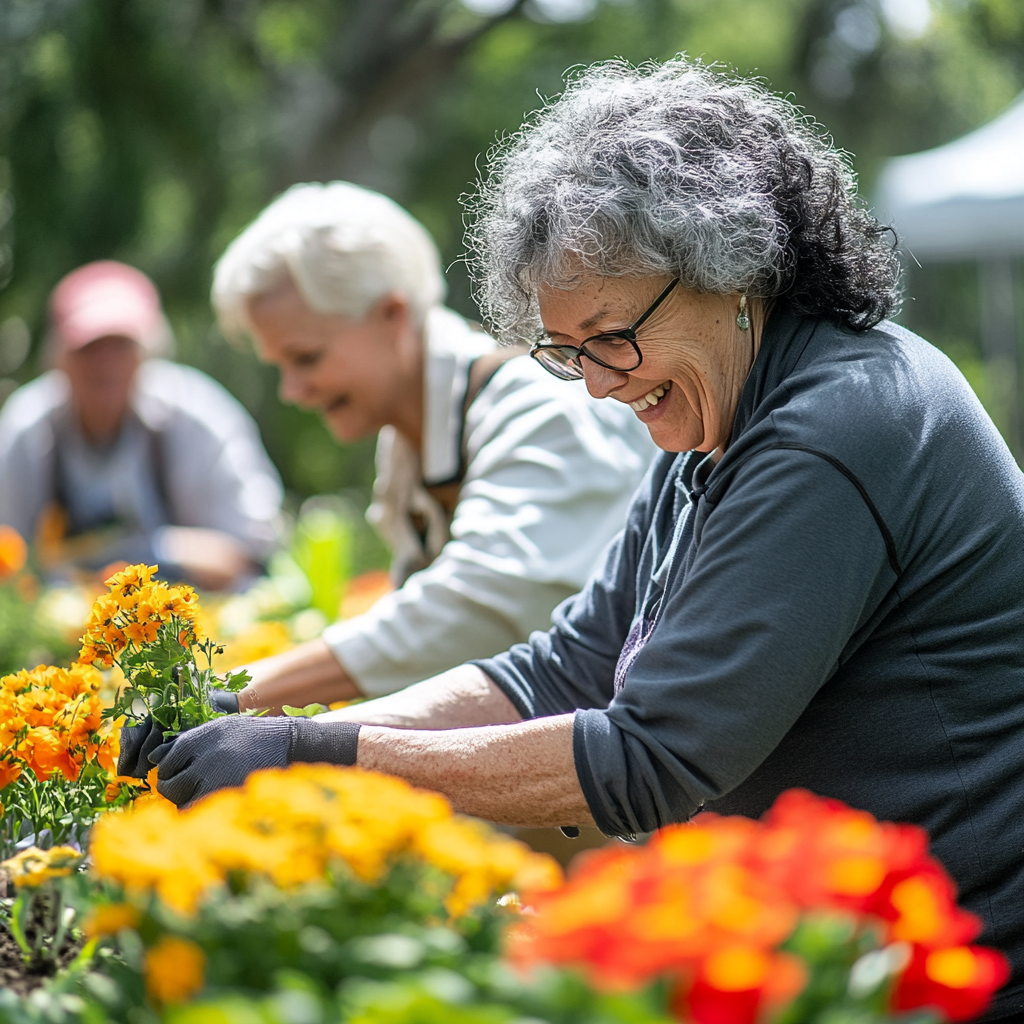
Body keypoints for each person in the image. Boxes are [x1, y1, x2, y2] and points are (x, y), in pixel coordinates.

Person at [150, 59, 1024, 1017]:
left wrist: (323, 757)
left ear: (728, 266)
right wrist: (283, 734)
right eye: (568, 353)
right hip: (800, 945)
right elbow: (560, 667)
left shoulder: (834, 429)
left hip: (926, 966)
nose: (600, 383)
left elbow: (649, 760)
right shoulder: (716, 418)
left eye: (611, 336)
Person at [207, 181, 655, 708]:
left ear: (393, 316)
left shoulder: (542, 407)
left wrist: (238, 694)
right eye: (279, 366)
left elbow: (480, 605)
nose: (292, 391)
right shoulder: (408, 436)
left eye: (305, 358)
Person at [0, 261, 283, 590]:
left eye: (121, 346)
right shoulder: (27, 429)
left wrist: (152, 552)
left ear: (149, 351)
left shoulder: (199, 417)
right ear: (58, 356)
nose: (105, 364)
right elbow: (8, 554)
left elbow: (251, 554)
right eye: (88, 348)